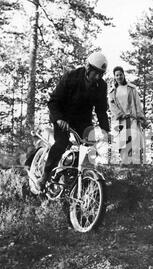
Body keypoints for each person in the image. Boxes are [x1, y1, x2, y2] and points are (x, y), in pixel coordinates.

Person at [38, 51, 111, 189]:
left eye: (100, 74)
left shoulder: (101, 86)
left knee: (88, 149)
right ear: (88, 68)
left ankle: (77, 179)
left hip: (82, 119)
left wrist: (105, 130)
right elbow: (53, 101)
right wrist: (59, 119)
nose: (97, 77)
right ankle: (45, 176)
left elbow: (101, 110)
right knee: (62, 142)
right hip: (62, 115)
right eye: (95, 73)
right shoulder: (71, 77)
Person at [108, 66, 147, 164]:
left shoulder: (131, 88)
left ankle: (136, 164)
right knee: (122, 143)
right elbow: (112, 105)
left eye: (120, 74)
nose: (119, 77)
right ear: (115, 77)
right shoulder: (112, 91)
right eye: (117, 75)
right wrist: (120, 114)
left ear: (123, 75)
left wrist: (140, 116)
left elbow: (137, 103)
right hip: (120, 120)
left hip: (132, 118)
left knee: (135, 140)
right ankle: (125, 164)